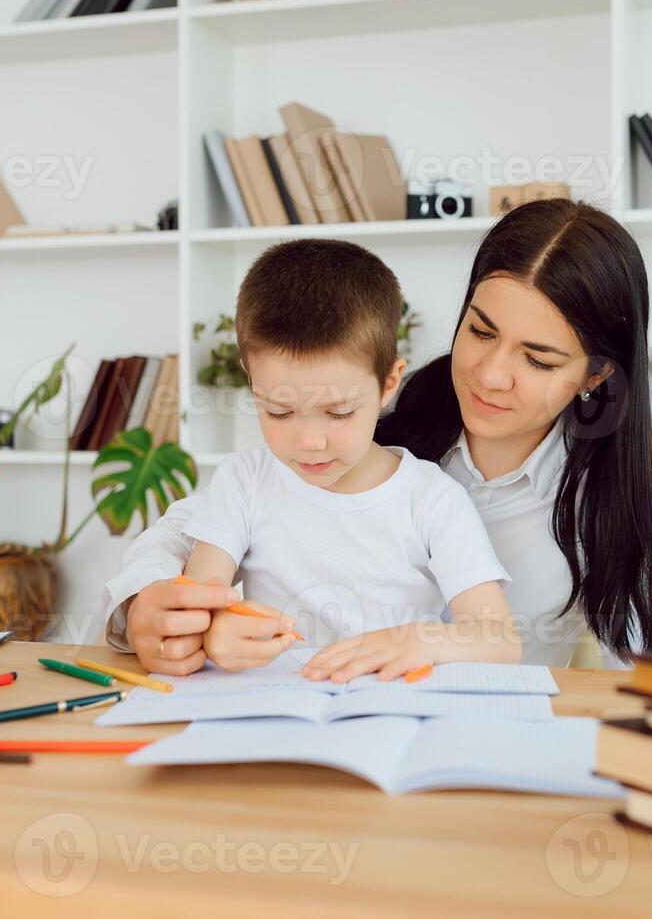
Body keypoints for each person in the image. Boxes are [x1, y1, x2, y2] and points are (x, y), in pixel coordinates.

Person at [101, 198, 652, 673]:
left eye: (538, 360)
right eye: (480, 331)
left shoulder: (629, 494)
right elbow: (188, 531)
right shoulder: (367, 421)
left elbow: (644, 678)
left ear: (595, 374)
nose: (490, 374)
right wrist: (152, 606)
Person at [176, 238, 520, 680]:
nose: (310, 442)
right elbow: (195, 602)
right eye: (278, 411)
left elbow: (501, 640)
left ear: (389, 382)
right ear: (252, 381)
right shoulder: (244, 481)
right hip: (274, 713)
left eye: (338, 413)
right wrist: (215, 629)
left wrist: (415, 640)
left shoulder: (431, 499)